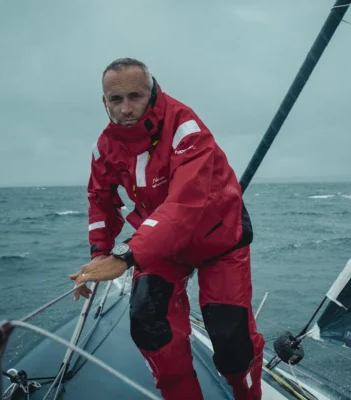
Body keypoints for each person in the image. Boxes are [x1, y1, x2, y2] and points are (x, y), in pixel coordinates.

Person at [69, 58, 265, 400]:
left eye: (135, 96)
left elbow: (186, 203)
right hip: (160, 244)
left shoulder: (185, 128)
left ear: (152, 91)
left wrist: (127, 255)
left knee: (232, 342)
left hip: (218, 239)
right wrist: (100, 255)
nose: (126, 109)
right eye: (116, 100)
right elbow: (100, 200)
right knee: (149, 326)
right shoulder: (105, 146)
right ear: (104, 102)